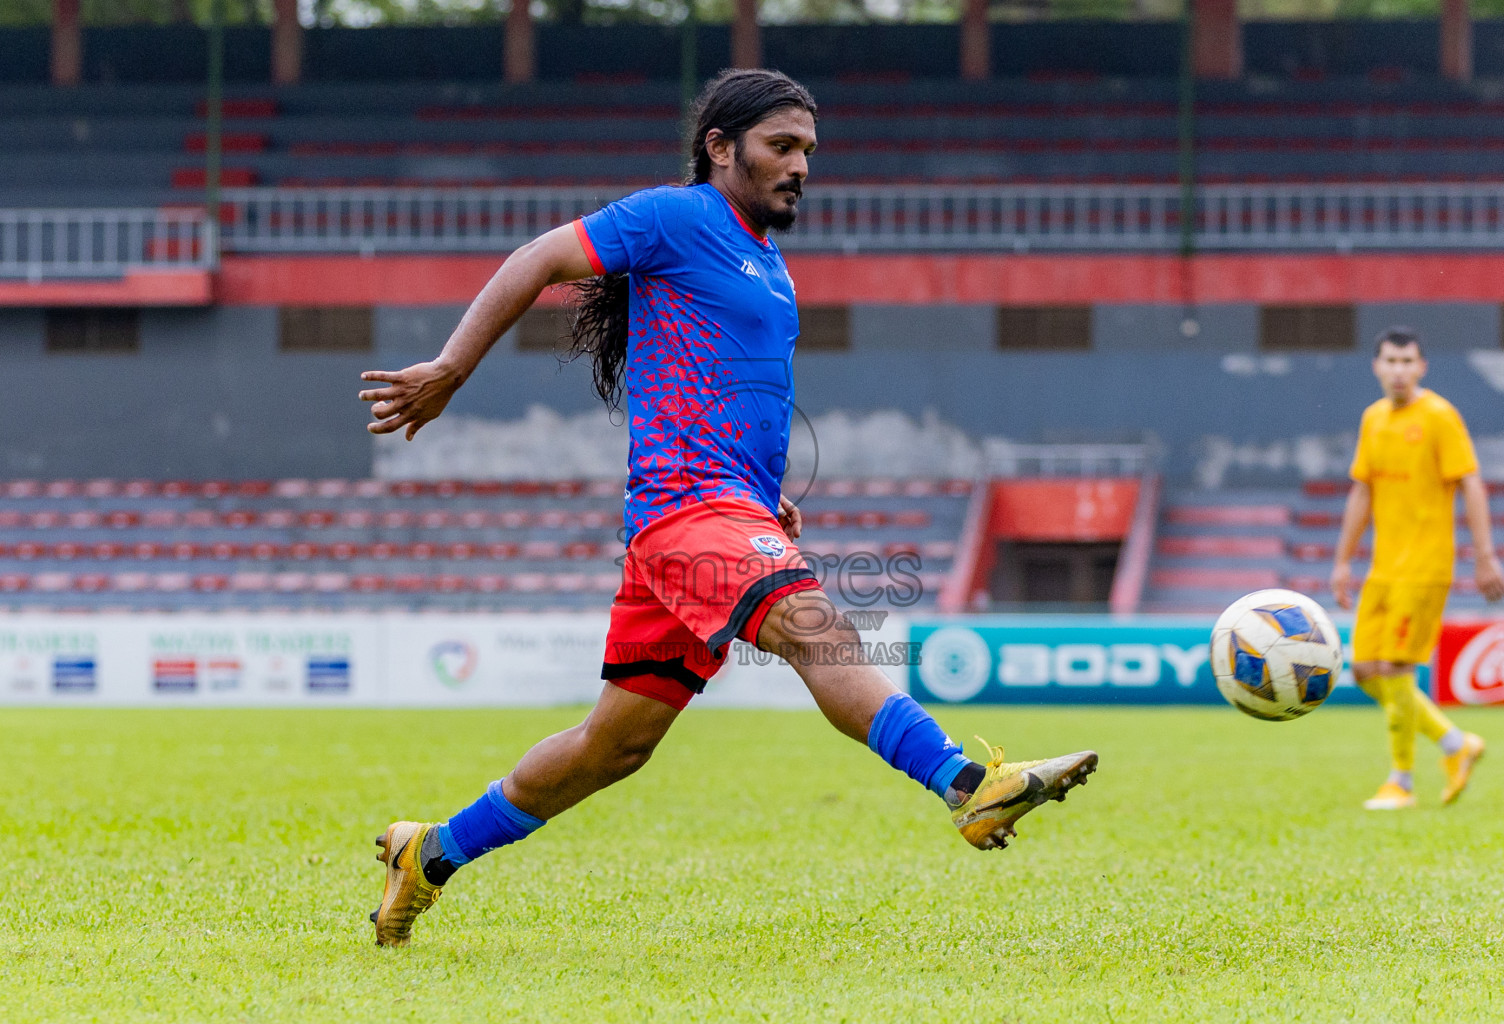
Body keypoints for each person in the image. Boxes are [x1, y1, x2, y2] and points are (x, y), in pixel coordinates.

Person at [355, 69, 1098, 948]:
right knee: (820, 630)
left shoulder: (766, 261)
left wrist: (762, 489)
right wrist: (450, 367)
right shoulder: (677, 215)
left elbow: (726, 383)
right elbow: (538, 259)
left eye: (809, 152)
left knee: (611, 749)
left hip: (713, 509)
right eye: (781, 147)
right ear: (721, 146)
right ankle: (967, 784)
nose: (800, 166)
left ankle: (429, 854)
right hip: (686, 511)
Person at [1330, 326, 1504, 811]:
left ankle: (1401, 782)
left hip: (1426, 565)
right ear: (1377, 366)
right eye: (1391, 361)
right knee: (1365, 670)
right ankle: (1456, 744)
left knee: (1396, 668)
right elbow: (1362, 490)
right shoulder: (1373, 419)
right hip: (1383, 567)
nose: (1399, 370)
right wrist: (1343, 561)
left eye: (1408, 362)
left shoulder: (1438, 415)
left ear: (1422, 367)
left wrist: (1485, 553)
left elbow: (1470, 482)